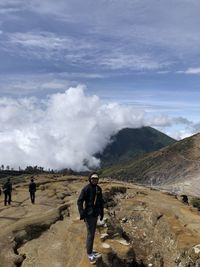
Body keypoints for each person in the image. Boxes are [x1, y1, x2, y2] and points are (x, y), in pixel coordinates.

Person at [77, 173, 104, 264]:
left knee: (91, 233)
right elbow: (80, 201)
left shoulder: (99, 189)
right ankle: (89, 253)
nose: (94, 180)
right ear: (90, 179)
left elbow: (100, 202)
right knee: (90, 234)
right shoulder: (86, 188)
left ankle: (90, 250)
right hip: (89, 215)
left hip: (95, 214)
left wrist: (102, 212)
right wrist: (82, 213)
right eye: (93, 178)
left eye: (96, 178)